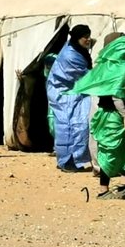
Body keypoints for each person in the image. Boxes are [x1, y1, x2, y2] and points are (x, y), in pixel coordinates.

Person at [74, 32, 125, 199]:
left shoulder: (108, 65)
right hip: (114, 115)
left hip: (112, 114)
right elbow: (116, 94)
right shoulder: (120, 68)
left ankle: (123, 186)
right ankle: (103, 191)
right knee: (111, 152)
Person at [46, 25, 95, 173]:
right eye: (85, 37)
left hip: (74, 91)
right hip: (64, 94)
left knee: (74, 124)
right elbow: (85, 75)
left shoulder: (76, 48)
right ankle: (68, 161)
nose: (88, 39)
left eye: (89, 36)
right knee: (72, 126)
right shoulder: (70, 55)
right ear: (76, 38)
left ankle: (71, 160)